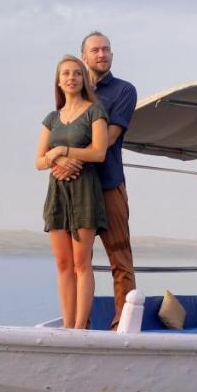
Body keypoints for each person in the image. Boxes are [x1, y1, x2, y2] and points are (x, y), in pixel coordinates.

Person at [51, 31, 138, 328]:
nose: (102, 54)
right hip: (74, 189)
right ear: (84, 56)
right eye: (95, 50)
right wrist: (60, 161)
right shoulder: (71, 91)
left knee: (119, 257)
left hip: (109, 184)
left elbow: (108, 139)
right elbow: (57, 133)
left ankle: (121, 327)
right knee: (77, 263)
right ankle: (79, 326)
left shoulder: (124, 91)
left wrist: (68, 157)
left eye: (107, 50)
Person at [36, 55, 109, 329]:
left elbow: (99, 153)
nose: (71, 78)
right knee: (63, 264)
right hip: (57, 194)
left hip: (84, 192)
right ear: (59, 81)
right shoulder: (51, 118)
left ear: (83, 79)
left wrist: (63, 150)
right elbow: (39, 161)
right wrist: (56, 159)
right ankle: (67, 326)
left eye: (77, 73)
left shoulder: (95, 111)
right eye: (66, 73)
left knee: (81, 263)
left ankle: (80, 327)